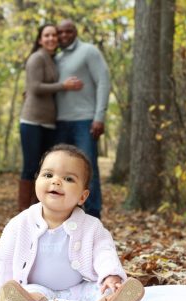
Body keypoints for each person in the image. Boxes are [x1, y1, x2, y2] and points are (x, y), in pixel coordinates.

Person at [0, 144, 144, 301]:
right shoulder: (20, 223)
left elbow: (103, 251)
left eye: (68, 179)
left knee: (98, 289)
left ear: (82, 197)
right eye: (48, 175)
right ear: (37, 181)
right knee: (30, 295)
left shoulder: (91, 226)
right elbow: (4, 261)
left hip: (77, 288)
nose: (56, 181)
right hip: (38, 287)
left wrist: (111, 274)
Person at [18, 23, 83, 212]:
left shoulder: (52, 59)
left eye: (54, 35)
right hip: (32, 121)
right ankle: (24, 212)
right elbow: (35, 87)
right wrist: (64, 86)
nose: (51, 39)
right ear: (40, 39)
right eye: (46, 35)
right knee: (30, 167)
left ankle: (39, 210)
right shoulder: (36, 58)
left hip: (48, 123)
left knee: (43, 168)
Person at [54, 19, 111, 219]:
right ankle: (68, 212)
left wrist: (99, 117)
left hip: (84, 120)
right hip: (58, 122)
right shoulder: (57, 57)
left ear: (75, 32)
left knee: (87, 169)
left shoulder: (89, 51)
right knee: (61, 170)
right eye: (60, 32)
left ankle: (93, 215)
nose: (63, 36)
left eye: (68, 31)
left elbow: (103, 82)